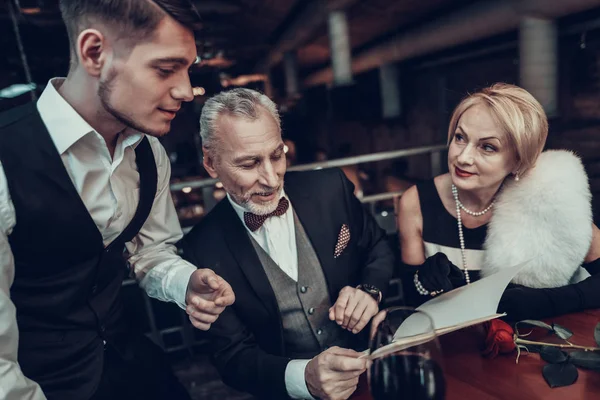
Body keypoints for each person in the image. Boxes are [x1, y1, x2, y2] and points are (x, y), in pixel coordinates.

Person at [0, 1, 235, 399]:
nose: (184, 89)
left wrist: (185, 283)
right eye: (164, 69)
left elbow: (150, 251)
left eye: (187, 69)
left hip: (132, 362)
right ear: (94, 52)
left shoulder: (149, 153)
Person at [182, 88, 395, 400]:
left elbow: (378, 247)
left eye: (276, 155)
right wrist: (303, 378)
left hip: (375, 374)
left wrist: (369, 291)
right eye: (249, 163)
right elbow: (231, 358)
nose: (271, 178)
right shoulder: (201, 248)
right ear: (212, 163)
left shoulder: (330, 188)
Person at [397, 83, 600, 321]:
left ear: (518, 161)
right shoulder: (416, 203)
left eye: (488, 147)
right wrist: (425, 282)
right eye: (460, 137)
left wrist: (545, 301)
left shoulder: (550, 197)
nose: (463, 157)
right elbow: (411, 305)